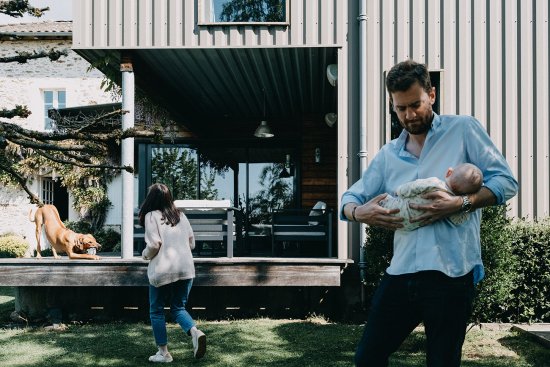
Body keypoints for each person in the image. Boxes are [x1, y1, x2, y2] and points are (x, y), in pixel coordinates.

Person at [340, 60, 518, 367]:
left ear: (431, 95)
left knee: (442, 362)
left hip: (451, 274)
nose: (409, 115)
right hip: (402, 273)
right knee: (367, 358)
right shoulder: (387, 155)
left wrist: (460, 204)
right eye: (400, 109)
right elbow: (350, 198)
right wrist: (359, 213)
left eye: (416, 105)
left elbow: (506, 182)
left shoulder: (463, 129)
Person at [139, 183, 206, 363]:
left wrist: (145, 255)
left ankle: (164, 353)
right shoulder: (181, 216)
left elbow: (153, 245)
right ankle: (195, 332)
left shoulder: (151, 215)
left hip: (163, 269)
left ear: (151, 199)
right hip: (186, 269)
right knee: (178, 308)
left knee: (157, 311)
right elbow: (191, 244)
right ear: (169, 198)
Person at [379, 163, 483, 230]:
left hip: (396, 207)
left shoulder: (435, 183)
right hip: (407, 225)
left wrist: (399, 190)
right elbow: (458, 221)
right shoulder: (452, 206)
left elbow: (414, 186)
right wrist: (469, 209)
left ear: (449, 172)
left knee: (384, 199)